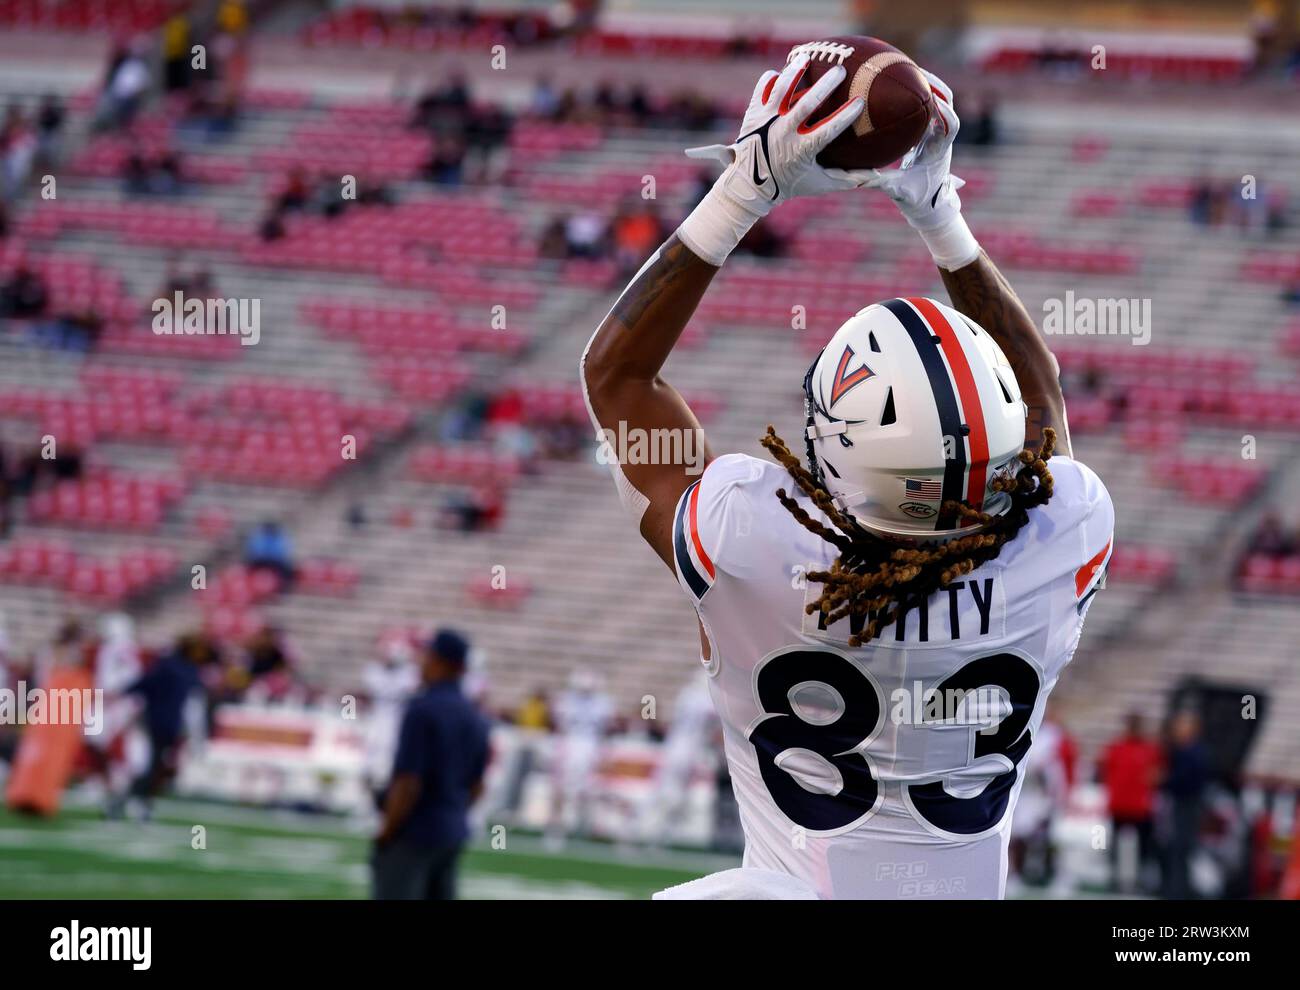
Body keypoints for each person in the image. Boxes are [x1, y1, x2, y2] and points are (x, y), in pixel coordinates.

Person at [580, 58, 1113, 899]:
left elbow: (617, 378)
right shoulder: (1063, 531)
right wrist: (943, 218)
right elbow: (1040, 385)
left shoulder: (751, 539)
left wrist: (742, 192)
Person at [372, 629, 489, 900]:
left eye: (428, 655)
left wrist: (387, 831)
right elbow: (477, 785)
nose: (422, 662)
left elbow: (408, 782)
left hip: (416, 830)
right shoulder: (475, 716)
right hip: (452, 832)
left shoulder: (422, 710)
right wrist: (452, 812)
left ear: (440, 661)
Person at [1100, 712, 1162, 892]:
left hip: (1141, 806)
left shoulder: (1150, 749)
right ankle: (1116, 878)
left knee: (1143, 847)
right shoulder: (1117, 747)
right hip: (1120, 804)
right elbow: (1107, 772)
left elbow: (1157, 774)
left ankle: (1140, 880)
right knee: (1115, 845)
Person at [1161, 709, 1210, 898]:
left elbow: (1186, 779)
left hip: (1187, 804)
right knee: (1177, 848)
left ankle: (1179, 891)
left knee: (1182, 848)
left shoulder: (1194, 753)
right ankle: (1176, 888)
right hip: (1182, 804)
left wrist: (1165, 780)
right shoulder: (1183, 751)